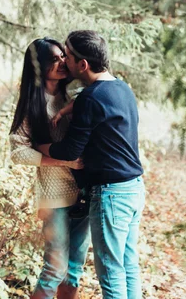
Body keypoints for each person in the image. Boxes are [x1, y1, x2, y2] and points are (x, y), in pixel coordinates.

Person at [38, 30, 145, 299]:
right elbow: (95, 102)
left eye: (69, 56)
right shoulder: (121, 88)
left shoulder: (90, 98)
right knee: (128, 266)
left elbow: (71, 149)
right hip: (134, 189)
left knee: (110, 273)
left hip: (111, 195)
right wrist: (66, 109)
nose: (64, 61)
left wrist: (41, 147)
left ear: (83, 65)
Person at [9, 37, 91, 299]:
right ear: (39, 67)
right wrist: (61, 161)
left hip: (85, 190)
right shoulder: (32, 104)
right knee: (55, 268)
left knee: (74, 269)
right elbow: (18, 152)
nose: (61, 62)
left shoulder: (76, 94)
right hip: (53, 196)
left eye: (62, 57)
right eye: (53, 59)